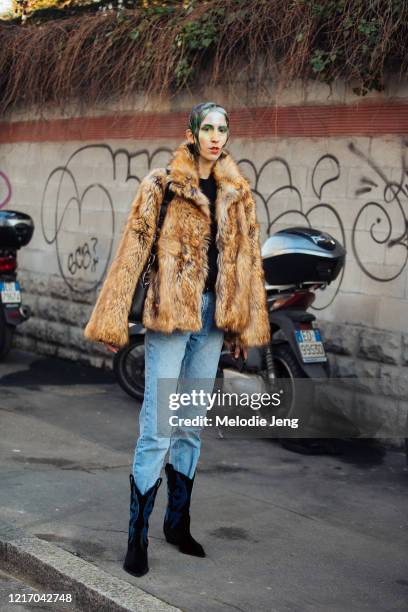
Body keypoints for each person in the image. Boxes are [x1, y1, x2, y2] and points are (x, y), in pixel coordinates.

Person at [83, 101, 271, 576]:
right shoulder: (162, 184)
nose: (215, 136)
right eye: (207, 127)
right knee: (158, 429)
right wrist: (111, 319)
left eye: (222, 129)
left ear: (228, 136)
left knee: (190, 425)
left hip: (211, 323)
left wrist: (242, 324)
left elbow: (247, 266)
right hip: (168, 318)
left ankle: (177, 523)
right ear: (191, 132)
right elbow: (132, 251)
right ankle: (137, 536)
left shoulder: (238, 192)